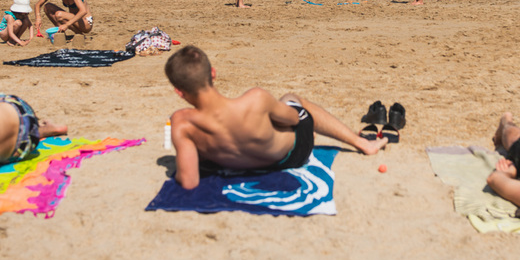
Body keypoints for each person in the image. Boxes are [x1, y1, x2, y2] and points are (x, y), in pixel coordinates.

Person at [164, 45, 388, 189]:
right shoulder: (255, 99)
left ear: (179, 92)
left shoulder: (182, 123)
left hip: (233, 165)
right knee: (292, 100)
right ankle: (363, 144)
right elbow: (294, 119)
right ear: (213, 73)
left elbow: (189, 181)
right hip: (290, 157)